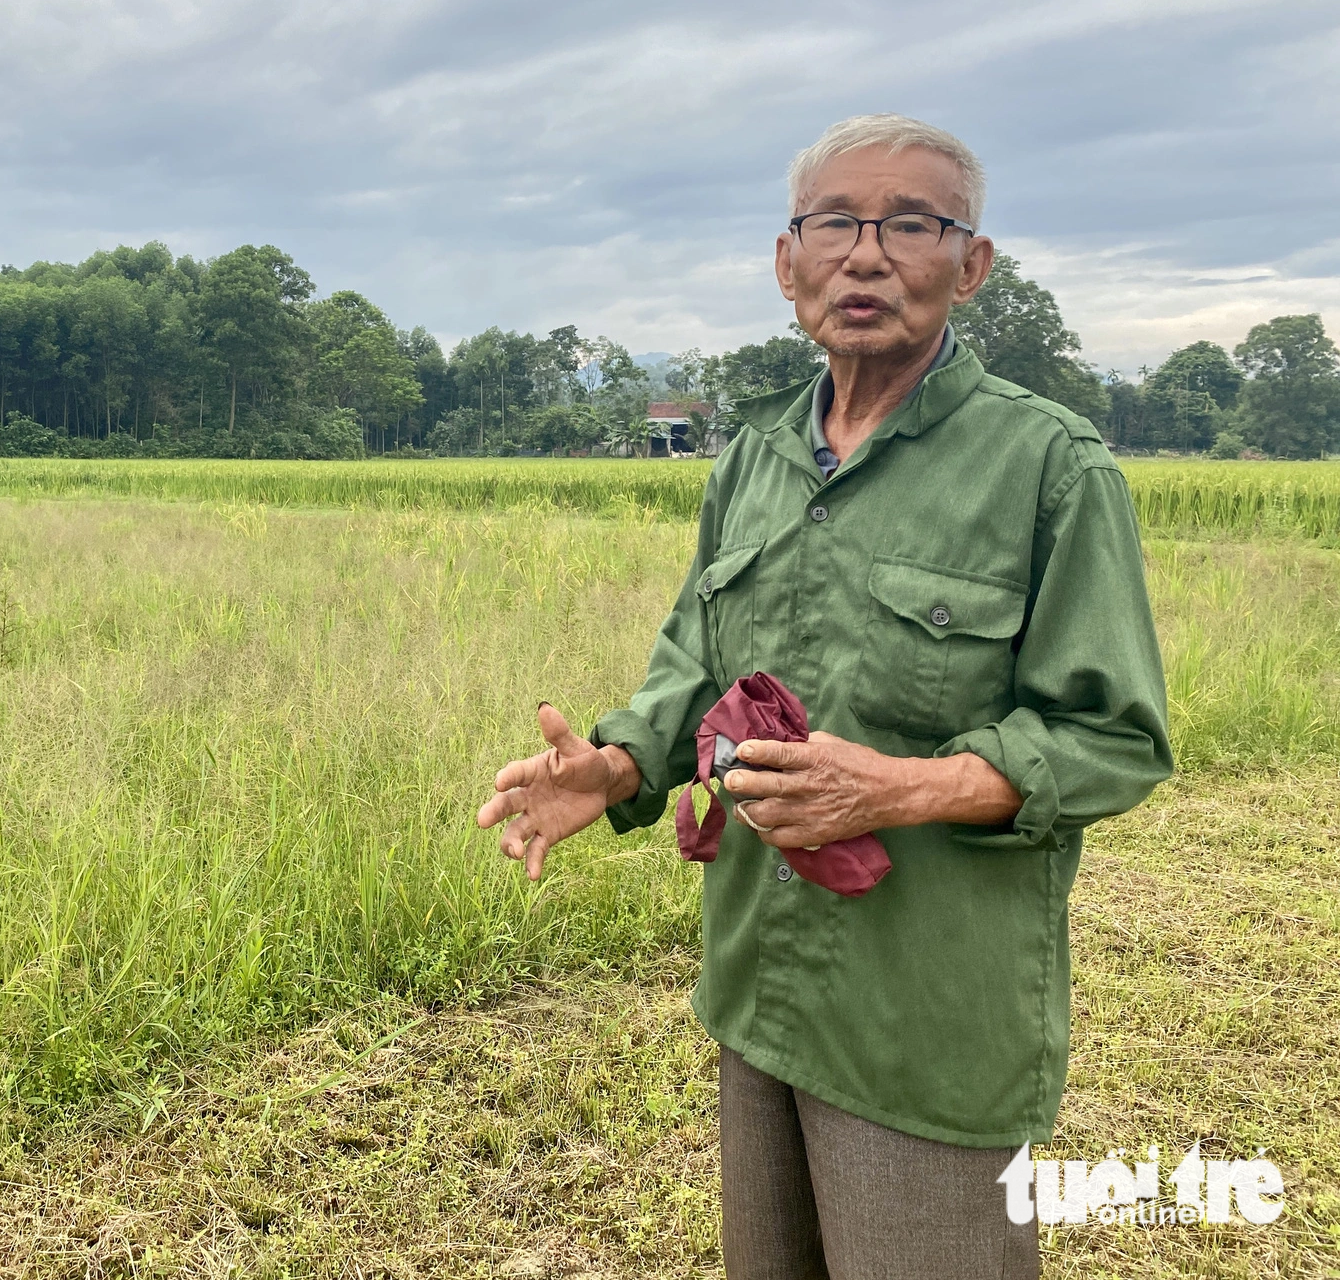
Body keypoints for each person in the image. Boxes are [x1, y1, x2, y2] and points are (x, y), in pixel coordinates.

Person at [477, 114, 1171, 1279]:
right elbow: (695, 660)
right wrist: (616, 763)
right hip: (756, 978)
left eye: (910, 222)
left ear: (970, 263)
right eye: (834, 222)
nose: (865, 253)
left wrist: (899, 786)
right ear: (785, 261)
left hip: (924, 1012)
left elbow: (1111, 735)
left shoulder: (1047, 468)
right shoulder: (751, 458)